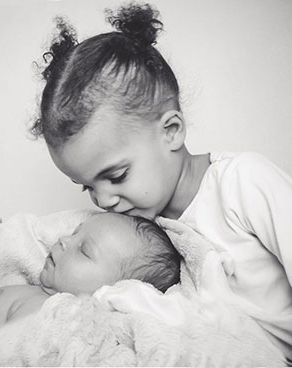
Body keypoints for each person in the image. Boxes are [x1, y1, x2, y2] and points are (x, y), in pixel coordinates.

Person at [30, 2, 292, 361]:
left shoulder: (242, 182)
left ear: (171, 131)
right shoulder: (141, 234)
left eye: (116, 176)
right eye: (87, 186)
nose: (103, 200)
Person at [0, 212, 181, 327]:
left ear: (111, 293)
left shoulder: (50, 313)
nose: (63, 240)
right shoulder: (38, 294)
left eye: (84, 250)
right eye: (74, 233)